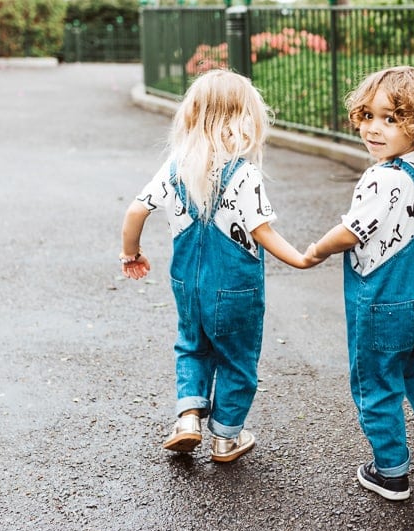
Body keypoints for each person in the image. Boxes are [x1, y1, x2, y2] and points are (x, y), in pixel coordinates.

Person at [304, 65, 414, 501]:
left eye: (390, 119)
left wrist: (317, 250)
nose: (372, 129)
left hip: (382, 300)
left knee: (375, 379)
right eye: (367, 116)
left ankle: (390, 470)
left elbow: (352, 230)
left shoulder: (383, 177)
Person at [119, 69, 308, 462]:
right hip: (236, 287)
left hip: (186, 282)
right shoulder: (244, 174)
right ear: (245, 120)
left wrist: (131, 254)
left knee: (192, 346)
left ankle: (188, 418)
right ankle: (226, 437)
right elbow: (263, 233)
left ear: (191, 116)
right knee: (237, 359)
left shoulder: (176, 167)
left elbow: (137, 210)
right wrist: (302, 259)